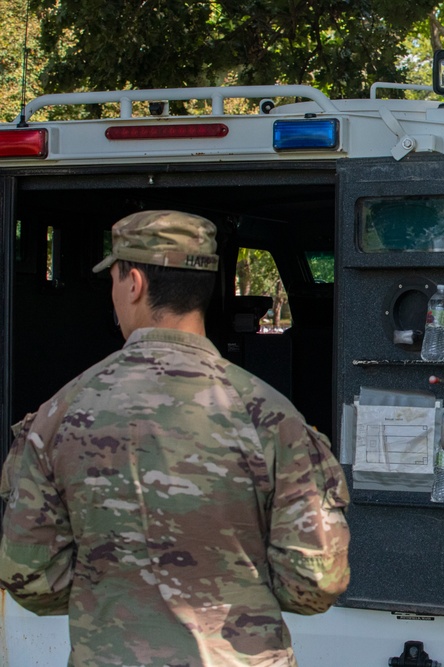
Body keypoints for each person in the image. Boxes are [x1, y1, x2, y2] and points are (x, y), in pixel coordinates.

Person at [0, 211, 351, 665]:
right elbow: (316, 581)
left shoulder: (58, 415)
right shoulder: (271, 416)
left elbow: (28, 574)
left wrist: (113, 594)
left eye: (114, 279)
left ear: (134, 284)